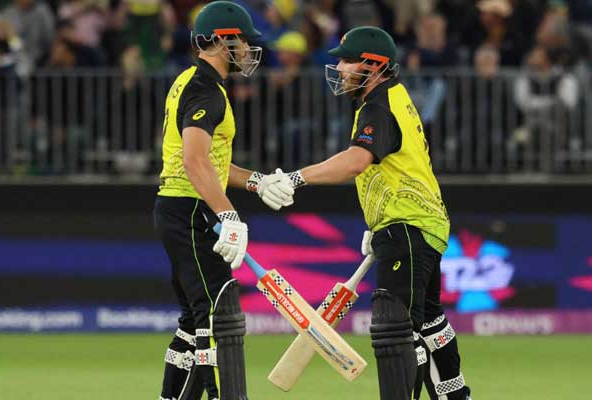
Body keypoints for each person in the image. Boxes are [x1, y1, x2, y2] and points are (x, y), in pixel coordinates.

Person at [263, 25, 472, 400]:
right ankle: (455, 395)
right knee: (427, 323)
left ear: (373, 66)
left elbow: (355, 162)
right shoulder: (394, 97)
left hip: (408, 226)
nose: (340, 68)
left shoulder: (379, 105)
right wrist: (379, 222)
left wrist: (295, 179)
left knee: (394, 326)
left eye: (346, 61)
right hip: (417, 224)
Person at [152, 2, 293, 399]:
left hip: (180, 207)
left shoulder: (190, 81)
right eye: (243, 41)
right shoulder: (204, 90)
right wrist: (227, 214)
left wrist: (258, 183)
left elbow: (212, 163)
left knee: (194, 318)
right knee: (216, 317)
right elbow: (194, 161)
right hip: (190, 209)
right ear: (221, 40)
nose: (248, 50)